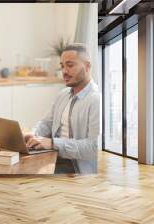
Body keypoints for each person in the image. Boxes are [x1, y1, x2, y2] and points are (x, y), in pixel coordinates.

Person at [25, 43, 100, 174]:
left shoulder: (96, 99)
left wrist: (53, 143)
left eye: (70, 65)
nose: (64, 71)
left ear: (87, 66)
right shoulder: (63, 94)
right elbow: (46, 123)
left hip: (75, 167)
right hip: (52, 156)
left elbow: (94, 147)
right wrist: (34, 134)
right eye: (62, 66)